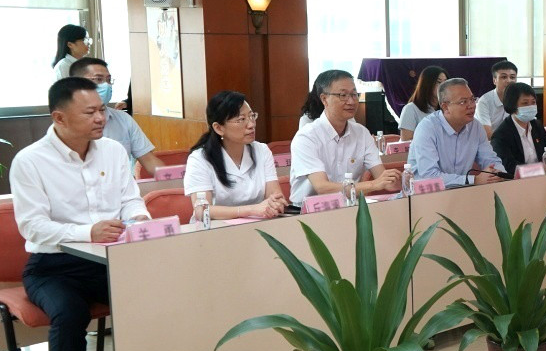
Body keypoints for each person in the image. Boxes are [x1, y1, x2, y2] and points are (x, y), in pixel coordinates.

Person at [10, 77, 150, 351]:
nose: (101, 118)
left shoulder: (113, 151)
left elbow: (130, 199)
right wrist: (88, 232)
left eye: (102, 110)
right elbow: (33, 227)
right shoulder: (30, 161)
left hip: (109, 259)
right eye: (90, 113)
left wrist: (139, 221)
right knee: (69, 313)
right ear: (59, 117)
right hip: (52, 267)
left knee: (149, 298)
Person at [289, 70, 400, 204]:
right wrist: (374, 184)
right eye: (343, 95)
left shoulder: (362, 133)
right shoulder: (306, 137)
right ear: (324, 99)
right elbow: (322, 188)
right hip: (310, 210)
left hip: (350, 205)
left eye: (354, 94)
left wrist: (398, 179)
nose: (351, 101)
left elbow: (383, 179)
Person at [184, 91, 287, 220]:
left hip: (258, 224)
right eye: (241, 119)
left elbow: (275, 197)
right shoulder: (200, 159)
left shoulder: (261, 150)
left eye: (252, 116)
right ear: (218, 128)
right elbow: (202, 210)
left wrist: (276, 204)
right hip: (216, 228)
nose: (251, 125)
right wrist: (251, 210)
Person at [68, 57, 165, 177]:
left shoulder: (123, 119)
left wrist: (173, 178)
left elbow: (149, 160)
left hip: (122, 187)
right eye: (98, 79)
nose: (106, 86)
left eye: (108, 80)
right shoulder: (67, 123)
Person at [406, 78, 506, 187]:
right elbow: (430, 176)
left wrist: (499, 172)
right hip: (426, 193)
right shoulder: (427, 128)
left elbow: (490, 159)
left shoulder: (476, 126)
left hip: (461, 192)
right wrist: (473, 180)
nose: (471, 106)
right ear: (445, 107)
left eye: (472, 99)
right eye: (463, 102)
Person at [489, 82, 546, 174]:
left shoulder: (536, 125)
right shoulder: (501, 135)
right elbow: (509, 167)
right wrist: (542, 170)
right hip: (518, 181)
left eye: (533, 102)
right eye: (525, 103)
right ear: (512, 106)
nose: (530, 107)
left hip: (543, 178)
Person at [398, 65, 446, 141]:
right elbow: (406, 141)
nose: (444, 86)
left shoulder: (447, 108)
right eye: (439, 82)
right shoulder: (411, 109)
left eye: (446, 82)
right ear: (427, 84)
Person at [474, 60, 517, 138]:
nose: (509, 81)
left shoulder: (519, 98)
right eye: (504, 77)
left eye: (512, 77)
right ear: (494, 80)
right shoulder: (484, 102)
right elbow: (487, 134)